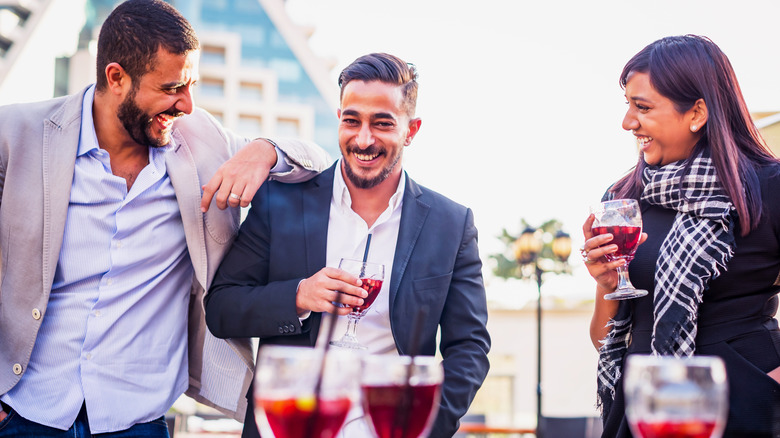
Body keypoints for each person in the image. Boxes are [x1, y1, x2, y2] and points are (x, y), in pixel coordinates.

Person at [0, 0, 330, 436]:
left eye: (191, 85)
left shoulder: (202, 144)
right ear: (116, 78)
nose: (188, 105)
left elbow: (322, 165)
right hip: (24, 414)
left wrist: (265, 150)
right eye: (173, 87)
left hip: (138, 422)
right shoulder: (16, 136)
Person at [204, 52, 491, 438]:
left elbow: (469, 349)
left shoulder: (452, 225)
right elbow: (221, 309)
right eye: (351, 120)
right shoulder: (281, 201)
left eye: (382, 123)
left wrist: (424, 427)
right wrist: (299, 296)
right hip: (289, 426)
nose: (364, 139)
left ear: (411, 130)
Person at [581, 34, 780, 437]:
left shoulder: (768, 187)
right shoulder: (622, 200)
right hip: (643, 409)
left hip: (745, 410)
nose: (628, 122)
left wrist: (768, 387)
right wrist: (606, 286)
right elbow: (604, 340)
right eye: (628, 106)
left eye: (643, 107)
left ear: (697, 112)